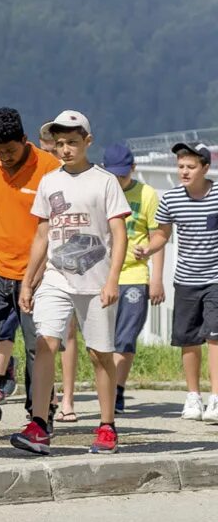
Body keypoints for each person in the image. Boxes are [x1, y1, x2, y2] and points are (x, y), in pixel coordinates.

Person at [11, 110, 129, 455]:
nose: (65, 149)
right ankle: (39, 425)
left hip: (96, 282)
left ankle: (107, 426)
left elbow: (119, 234)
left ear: (87, 142)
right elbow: (42, 234)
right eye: (60, 143)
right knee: (45, 342)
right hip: (56, 277)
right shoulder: (50, 182)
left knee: (99, 354)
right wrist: (28, 281)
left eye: (72, 143)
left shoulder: (104, 181)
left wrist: (112, 279)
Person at [0, 108, 61, 440]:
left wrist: (40, 273)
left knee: (38, 344)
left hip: (36, 272)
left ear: (25, 140)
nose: (3, 158)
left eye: (10, 151)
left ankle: (40, 413)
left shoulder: (49, 169)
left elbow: (56, 228)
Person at [137, 142, 218, 423]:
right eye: (181, 166)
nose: (184, 171)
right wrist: (148, 249)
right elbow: (162, 234)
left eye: (191, 167)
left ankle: (216, 399)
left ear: (205, 168)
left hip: (215, 278)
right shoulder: (171, 199)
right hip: (186, 279)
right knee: (188, 339)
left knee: (215, 336)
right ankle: (193, 396)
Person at [99, 143, 165, 414]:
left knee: (125, 338)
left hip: (135, 274)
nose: (118, 180)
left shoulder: (147, 194)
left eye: (123, 175)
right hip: (103, 274)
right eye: (113, 175)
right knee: (104, 338)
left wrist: (156, 278)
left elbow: (157, 236)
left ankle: (117, 389)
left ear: (133, 169)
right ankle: (109, 386)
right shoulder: (100, 193)